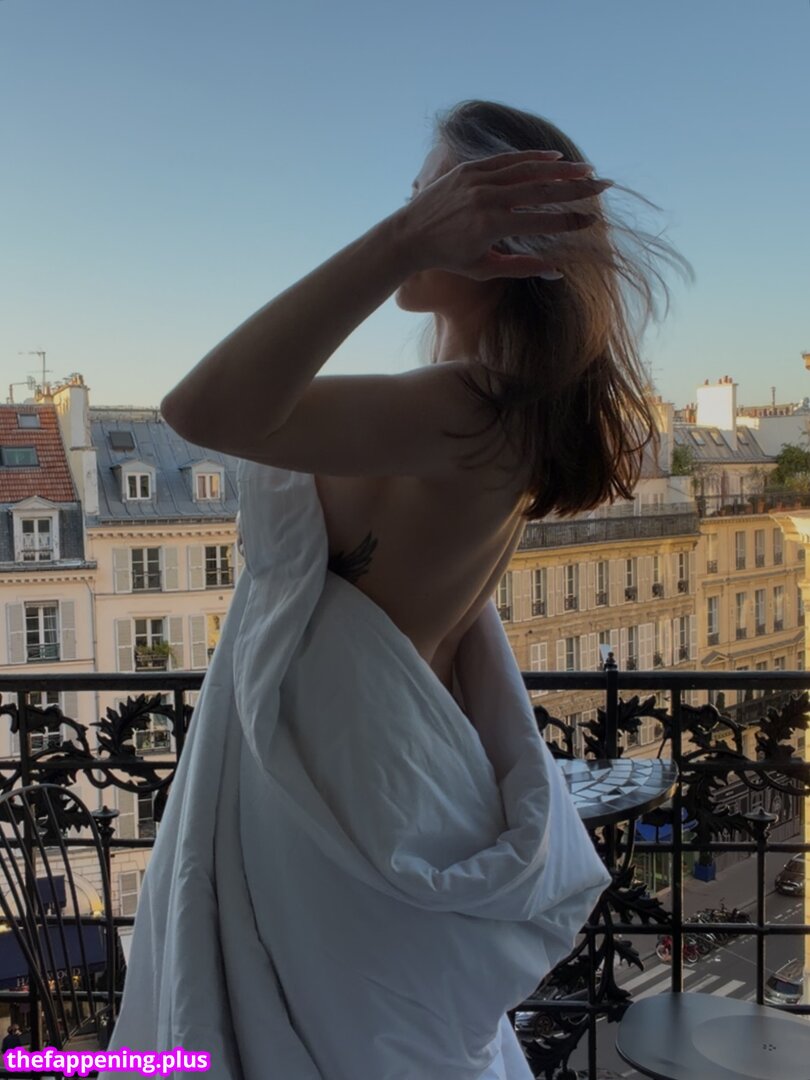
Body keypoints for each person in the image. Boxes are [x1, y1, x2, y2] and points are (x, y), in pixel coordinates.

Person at [107, 100, 690, 1080]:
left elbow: (199, 409)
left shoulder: (468, 411)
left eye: (431, 197)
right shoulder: (488, 411)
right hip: (367, 791)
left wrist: (398, 246)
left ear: (492, 236)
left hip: (342, 808)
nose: (413, 212)